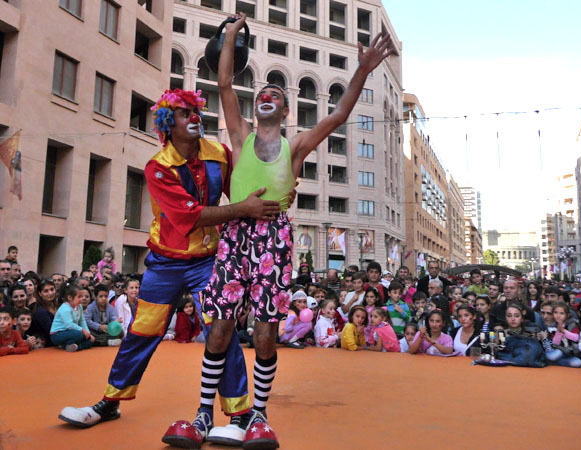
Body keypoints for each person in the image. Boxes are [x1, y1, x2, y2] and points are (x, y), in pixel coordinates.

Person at [197, 14, 392, 448]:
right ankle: (203, 412)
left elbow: (338, 114)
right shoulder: (240, 135)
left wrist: (362, 70)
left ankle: (259, 414)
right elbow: (225, 83)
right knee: (221, 325)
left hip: (274, 238)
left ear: (286, 111)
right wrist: (231, 35)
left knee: (266, 329)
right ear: (256, 107)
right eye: (262, 94)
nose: (266, 97)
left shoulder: (296, 145)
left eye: (276, 96)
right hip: (235, 233)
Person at [58, 88, 289, 441]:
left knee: (221, 330)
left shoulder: (220, 153)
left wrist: (281, 189)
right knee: (142, 331)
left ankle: (240, 414)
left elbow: (247, 188)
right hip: (165, 262)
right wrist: (243, 209)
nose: (194, 118)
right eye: (184, 113)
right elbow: (190, 216)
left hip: (207, 260)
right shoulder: (158, 167)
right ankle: (110, 402)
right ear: (168, 122)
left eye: (196, 111)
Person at [496, 302, 545, 368]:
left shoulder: (532, 332)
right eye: (509, 316)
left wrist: (542, 339)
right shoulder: (501, 334)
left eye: (517, 316)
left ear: (522, 318)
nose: (513, 319)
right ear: (505, 318)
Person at [50, 284, 94, 352]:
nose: (81, 299)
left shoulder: (79, 306)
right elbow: (69, 325)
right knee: (79, 334)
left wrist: (88, 333)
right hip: (57, 334)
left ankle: (74, 346)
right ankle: (65, 345)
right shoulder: (65, 308)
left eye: (82, 296)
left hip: (72, 332)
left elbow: (82, 321)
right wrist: (83, 330)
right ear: (70, 297)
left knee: (90, 340)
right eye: (79, 297)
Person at [543, 302, 581, 368]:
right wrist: (559, 332)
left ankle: (558, 362)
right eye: (555, 312)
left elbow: (576, 338)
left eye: (561, 313)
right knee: (553, 356)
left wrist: (564, 331)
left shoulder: (573, 323)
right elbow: (555, 343)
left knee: (577, 363)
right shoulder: (551, 326)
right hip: (559, 351)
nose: (558, 315)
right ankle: (554, 360)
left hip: (571, 352)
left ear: (567, 315)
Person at [30, 278, 59, 347]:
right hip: (48, 346)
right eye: (46, 291)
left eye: (52, 289)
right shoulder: (40, 311)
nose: (50, 293)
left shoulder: (59, 306)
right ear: (40, 293)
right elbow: (51, 331)